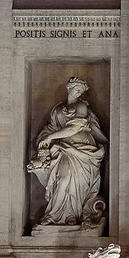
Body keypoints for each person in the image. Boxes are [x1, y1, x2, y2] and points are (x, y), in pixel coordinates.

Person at [27, 77, 107, 227]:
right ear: (68, 87)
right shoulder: (58, 109)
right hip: (63, 150)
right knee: (62, 180)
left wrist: (51, 137)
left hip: (83, 150)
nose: (78, 92)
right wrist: (44, 139)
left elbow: (74, 128)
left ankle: (73, 215)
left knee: (77, 184)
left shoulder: (82, 106)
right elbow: (51, 128)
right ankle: (55, 214)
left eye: (81, 90)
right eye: (76, 88)